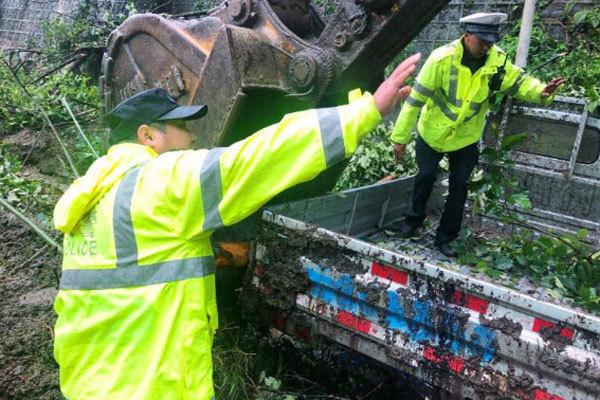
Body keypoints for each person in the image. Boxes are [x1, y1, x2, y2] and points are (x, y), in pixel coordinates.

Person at [51, 53, 421, 400]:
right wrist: (365, 112)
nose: (192, 137)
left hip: (88, 383)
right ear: (147, 135)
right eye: (181, 126)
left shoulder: (90, 199)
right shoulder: (160, 182)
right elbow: (257, 160)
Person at [388, 12, 566, 257]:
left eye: (490, 42)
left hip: (466, 137)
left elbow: (519, 83)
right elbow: (415, 101)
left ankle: (445, 237)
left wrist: (541, 92)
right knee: (425, 176)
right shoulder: (441, 59)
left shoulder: (497, 62)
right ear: (467, 35)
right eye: (482, 40)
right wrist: (400, 137)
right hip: (433, 131)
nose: (486, 46)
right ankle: (412, 222)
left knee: (459, 185)